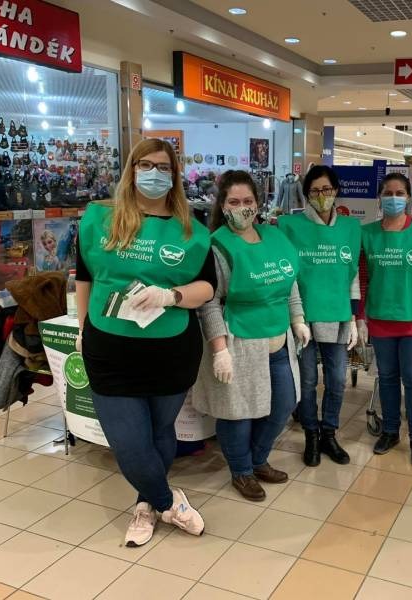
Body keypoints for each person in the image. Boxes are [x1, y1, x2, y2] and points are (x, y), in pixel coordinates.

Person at [75, 138, 214, 547]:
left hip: (170, 350)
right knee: (129, 443)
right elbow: (84, 276)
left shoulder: (191, 229)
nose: (155, 173)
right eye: (146, 165)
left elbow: (207, 287)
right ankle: (170, 501)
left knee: (159, 431)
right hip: (109, 348)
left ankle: (145, 504)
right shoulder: (100, 218)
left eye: (164, 167)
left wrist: (171, 295)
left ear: (175, 175)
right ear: (132, 170)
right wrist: (82, 328)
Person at [193, 170, 309, 502]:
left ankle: (258, 460)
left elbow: (289, 282)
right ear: (222, 205)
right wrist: (219, 350)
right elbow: (209, 302)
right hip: (239, 340)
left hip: (278, 339)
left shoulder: (275, 237)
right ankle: (241, 471)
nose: (241, 208)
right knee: (238, 412)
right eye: (234, 202)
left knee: (284, 403)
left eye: (247, 201)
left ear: (258, 204)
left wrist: (298, 319)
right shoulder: (216, 246)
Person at [357, 173, 412, 467]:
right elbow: (363, 280)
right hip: (381, 319)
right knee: (387, 378)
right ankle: (391, 431)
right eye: (387, 192)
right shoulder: (367, 234)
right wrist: (361, 317)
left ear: (408, 197)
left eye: (399, 193)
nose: (393, 198)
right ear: (379, 197)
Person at [277, 165, 361, 467]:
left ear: (336, 190)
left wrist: (354, 318)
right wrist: (295, 317)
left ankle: (329, 433)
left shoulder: (350, 228)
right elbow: (286, 274)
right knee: (308, 380)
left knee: (337, 380)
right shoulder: (290, 226)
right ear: (306, 194)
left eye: (326, 189)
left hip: (338, 315)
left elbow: (352, 274)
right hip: (303, 317)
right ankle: (311, 433)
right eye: (314, 190)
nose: (321, 195)